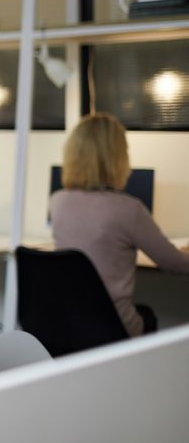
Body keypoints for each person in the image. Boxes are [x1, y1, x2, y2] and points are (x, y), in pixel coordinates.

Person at [50, 112, 189, 337]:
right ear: (117, 157)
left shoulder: (57, 202)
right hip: (111, 325)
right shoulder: (128, 209)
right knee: (150, 315)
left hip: (67, 322)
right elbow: (176, 264)